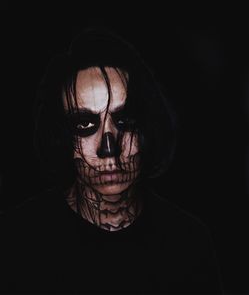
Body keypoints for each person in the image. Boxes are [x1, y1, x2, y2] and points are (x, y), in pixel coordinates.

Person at [1, 27, 223, 294]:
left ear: (146, 128)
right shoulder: (17, 240)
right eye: (85, 123)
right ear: (61, 136)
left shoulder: (188, 243)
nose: (109, 147)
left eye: (125, 120)